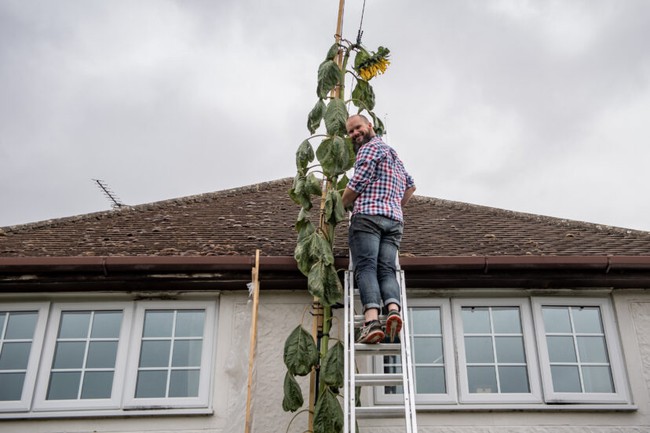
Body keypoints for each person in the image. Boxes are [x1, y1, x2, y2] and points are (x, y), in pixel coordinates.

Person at [342, 114, 416, 344]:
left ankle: (372, 322)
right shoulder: (393, 153)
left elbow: (358, 182)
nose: (355, 134)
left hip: (368, 218)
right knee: (386, 269)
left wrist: (342, 203)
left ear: (369, 125)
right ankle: (393, 310)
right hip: (394, 221)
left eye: (357, 128)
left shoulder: (368, 149)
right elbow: (411, 186)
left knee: (366, 268)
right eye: (351, 132)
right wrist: (392, 204)